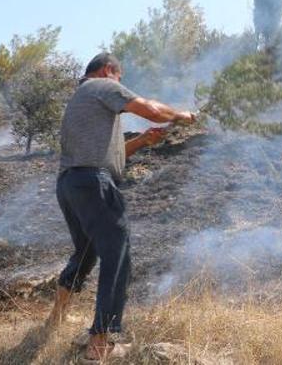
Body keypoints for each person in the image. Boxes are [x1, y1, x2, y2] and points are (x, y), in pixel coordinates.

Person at [48, 53, 195, 362]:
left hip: (70, 184)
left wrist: (142, 141)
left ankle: (56, 318)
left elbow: (110, 157)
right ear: (108, 70)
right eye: (120, 77)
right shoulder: (103, 85)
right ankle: (101, 341)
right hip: (92, 182)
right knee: (118, 250)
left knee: (87, 252)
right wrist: (181, 115)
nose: (121, 84)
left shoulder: (81, 100)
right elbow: (152, 110)